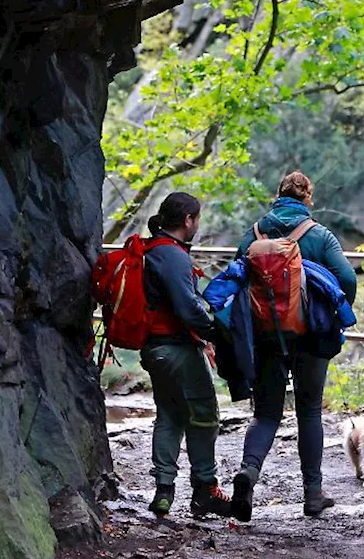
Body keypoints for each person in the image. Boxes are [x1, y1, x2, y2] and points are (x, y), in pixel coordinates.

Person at [229, 171, 358, 520]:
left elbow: (235, 277)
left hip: (267, 336)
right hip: (312, 336)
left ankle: (249, 472)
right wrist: (331, 310)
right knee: (309, 410)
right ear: (307, 198)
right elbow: (347, 278)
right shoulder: (318, 234)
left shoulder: (256, 233)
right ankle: (313, 495)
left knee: (266, 413)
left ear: (278, 195)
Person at [140, 192, 233, 519]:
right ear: (187, 221)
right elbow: (187, 307)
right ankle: (205, 491)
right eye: (197, 219)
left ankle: (164, 491)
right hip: (177, 347)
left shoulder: (151, 251)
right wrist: (215, 333)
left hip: (153, 349)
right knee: (204, 415)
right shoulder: (174, 255)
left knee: (169, 415)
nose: (198, 224)